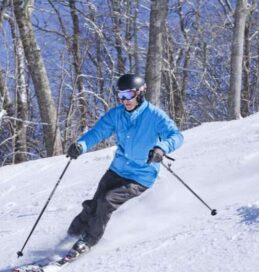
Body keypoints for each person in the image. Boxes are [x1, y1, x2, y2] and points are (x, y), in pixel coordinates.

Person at [66, 74, 184, 255]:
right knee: (94, 204)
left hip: (141, 175)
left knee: (107, 201)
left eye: (128, 95)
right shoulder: (116, 114)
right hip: (117, 169)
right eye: (121, 96)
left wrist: (161, 148)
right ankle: (71, 236)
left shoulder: (155, 116)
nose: (125, 101)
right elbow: (97, 132)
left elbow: (176, 136)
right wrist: (81, 146)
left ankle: (88, 241)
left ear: (140, 92)